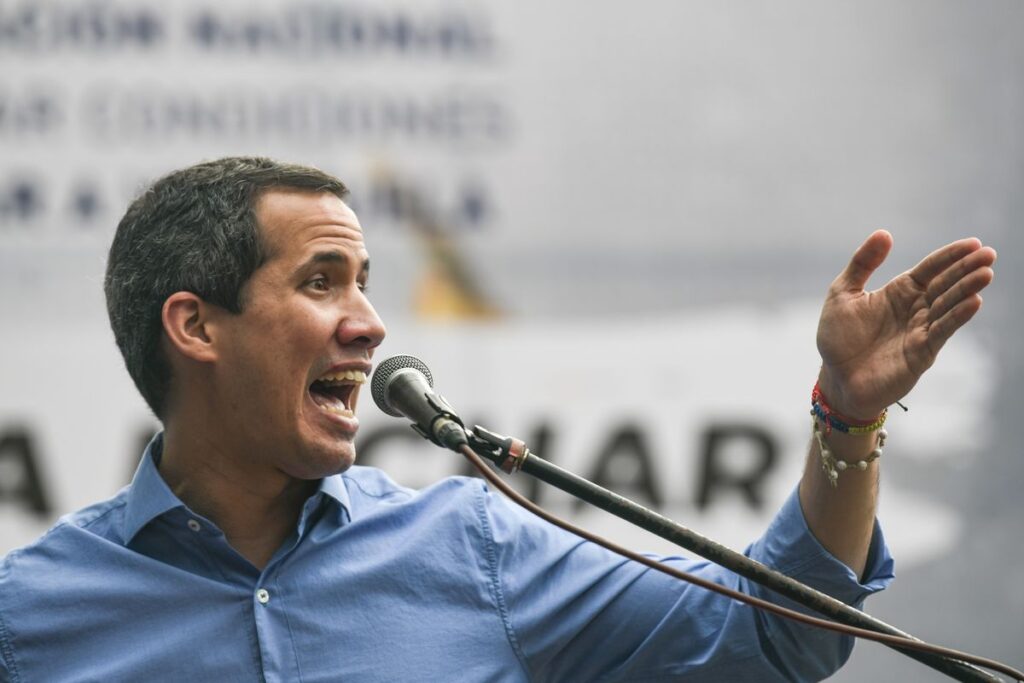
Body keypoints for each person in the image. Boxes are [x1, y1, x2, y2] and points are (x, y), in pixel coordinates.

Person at [0, 157, 996, 682]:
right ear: (194, 325)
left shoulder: (467, 543)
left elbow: (783, 630)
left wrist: (848, 414)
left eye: (366, 281)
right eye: (320, 280)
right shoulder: (29, 619)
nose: (370, 322)